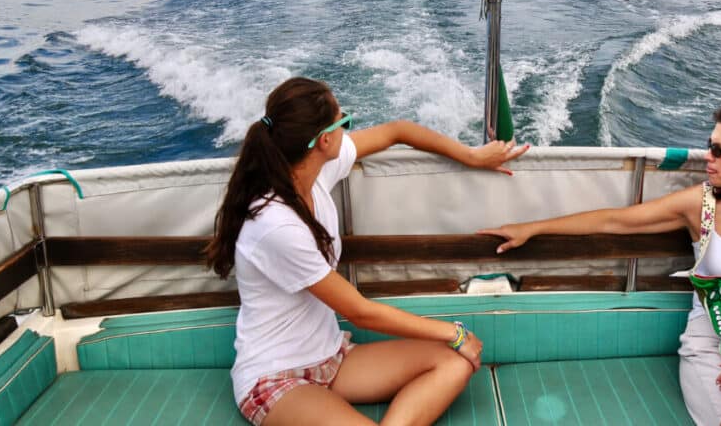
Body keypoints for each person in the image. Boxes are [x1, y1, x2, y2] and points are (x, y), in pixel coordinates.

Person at [478, 101, 721, 426]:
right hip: (711, 349)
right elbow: (616, 221)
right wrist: (533, 228)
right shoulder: (703, 206)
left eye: (718, 149)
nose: (706, 156)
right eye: (708, 144)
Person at [205, 76, 529, 426]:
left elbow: (397, 131)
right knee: (456, 347)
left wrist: (471, 156)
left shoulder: (315, 170)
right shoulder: (277, 226)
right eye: (345, 122)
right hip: (275, 378)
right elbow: (361, 312)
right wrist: (455, 332)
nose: (349, 129)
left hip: (333, 359)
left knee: (455, 362)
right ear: (324, 140)